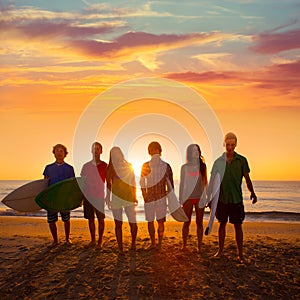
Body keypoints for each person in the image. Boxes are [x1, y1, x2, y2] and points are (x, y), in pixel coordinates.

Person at [210, 132, 257, 263]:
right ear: (224, 144)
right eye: (227, 144)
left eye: (232, 144)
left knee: (238, 226)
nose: (229, 147)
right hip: (222, 199)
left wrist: (252, 192)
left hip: (236, 199)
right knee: (222, 224)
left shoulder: (242, 160)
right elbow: (212, 180)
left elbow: (247, 179)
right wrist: (210, 197)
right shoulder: (218, 162)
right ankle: (220, 251)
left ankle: (240, 254)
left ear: (235, 144)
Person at [140, 141, 174, 250]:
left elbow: (170, 184)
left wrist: (170, 199)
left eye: (156, 150)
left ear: (159, 151)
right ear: (149, 152)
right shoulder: (145, 165)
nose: (154, 152)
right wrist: (144, 194)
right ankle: (153, 243)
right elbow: (141, 181)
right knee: (150, 221)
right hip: (149, 198)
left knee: (160, 222)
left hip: (161, 199)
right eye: (152, 150)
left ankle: (159, 244)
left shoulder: (166, 166)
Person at [106, 147, 138, 253]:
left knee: (132, 222)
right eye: (114, 154)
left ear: (121, 154)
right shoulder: (110, 168)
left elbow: (133, 182)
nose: (116, 156)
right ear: (112, 156)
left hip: (128, 197)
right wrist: (107, 197)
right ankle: (120, 248)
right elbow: (108, 184)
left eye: (118, 153)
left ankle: (133, 243)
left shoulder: (129, 166)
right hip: (116, 199)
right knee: (118, 224)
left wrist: (135, 196)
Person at [43, 144, 75, 247]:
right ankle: (55, 240)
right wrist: (45, 197)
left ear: (65, 154)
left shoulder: (69, 168)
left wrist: (72, 198)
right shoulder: (48, 168)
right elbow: (45, 183)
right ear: (54, 153)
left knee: (66, 219)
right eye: (57, 150)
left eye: (61, 151)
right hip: (52, 198)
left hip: (64, 198)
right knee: (51, 220)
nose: (59, 152)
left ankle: (67, 238)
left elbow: (72, 185)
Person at [179, 144, 207, 252]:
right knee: (187, 222)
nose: (196, 152)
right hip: (188, 198)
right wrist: (181, 198)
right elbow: (182, 183)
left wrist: (206, 196)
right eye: (193, 150)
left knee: (199, 223)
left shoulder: (203, 166)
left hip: (200, 197)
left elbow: (205, 182)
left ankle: (199, 246)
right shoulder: (184, 167)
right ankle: (184, 245)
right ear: (189, 153)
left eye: (197, 150)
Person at [80, 142, 107, 248]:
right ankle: (93, 240)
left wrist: (108, 196)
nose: (96, 151)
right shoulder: (86, 166)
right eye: (94, 149)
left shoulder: (105, 166)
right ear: (91, 151)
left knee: (101, 219)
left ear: (101, 151)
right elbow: (82, 182)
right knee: (90, 219)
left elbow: (109, 182)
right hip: (88, 197)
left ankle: (100, 240)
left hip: (99, 197)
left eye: (98, 149)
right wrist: (81, 197)